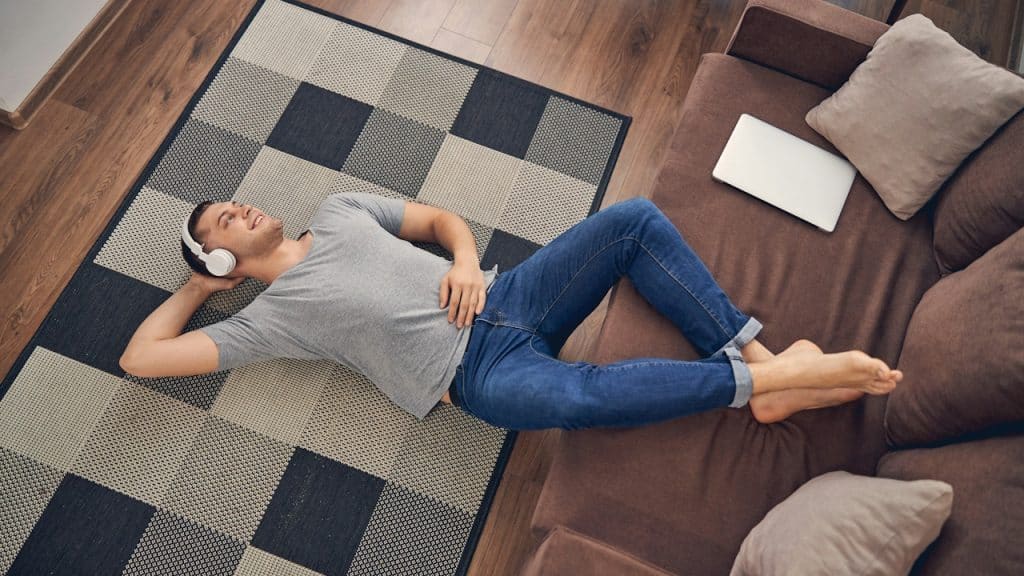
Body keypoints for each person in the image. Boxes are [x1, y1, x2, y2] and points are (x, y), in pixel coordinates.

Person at [119, 193, 901, 430]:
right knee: (584, 398)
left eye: (231, 205)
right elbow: (140, 360)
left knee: (631, 220)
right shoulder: (270, 317)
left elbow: (436, 222)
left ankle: (767, 364)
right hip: (480, 374)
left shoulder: (339, 208)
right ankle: (757, 385)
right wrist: (200, 287)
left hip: (510, 292)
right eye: (222, 225)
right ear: (224, 260)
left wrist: (462, 257)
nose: (241, 210)